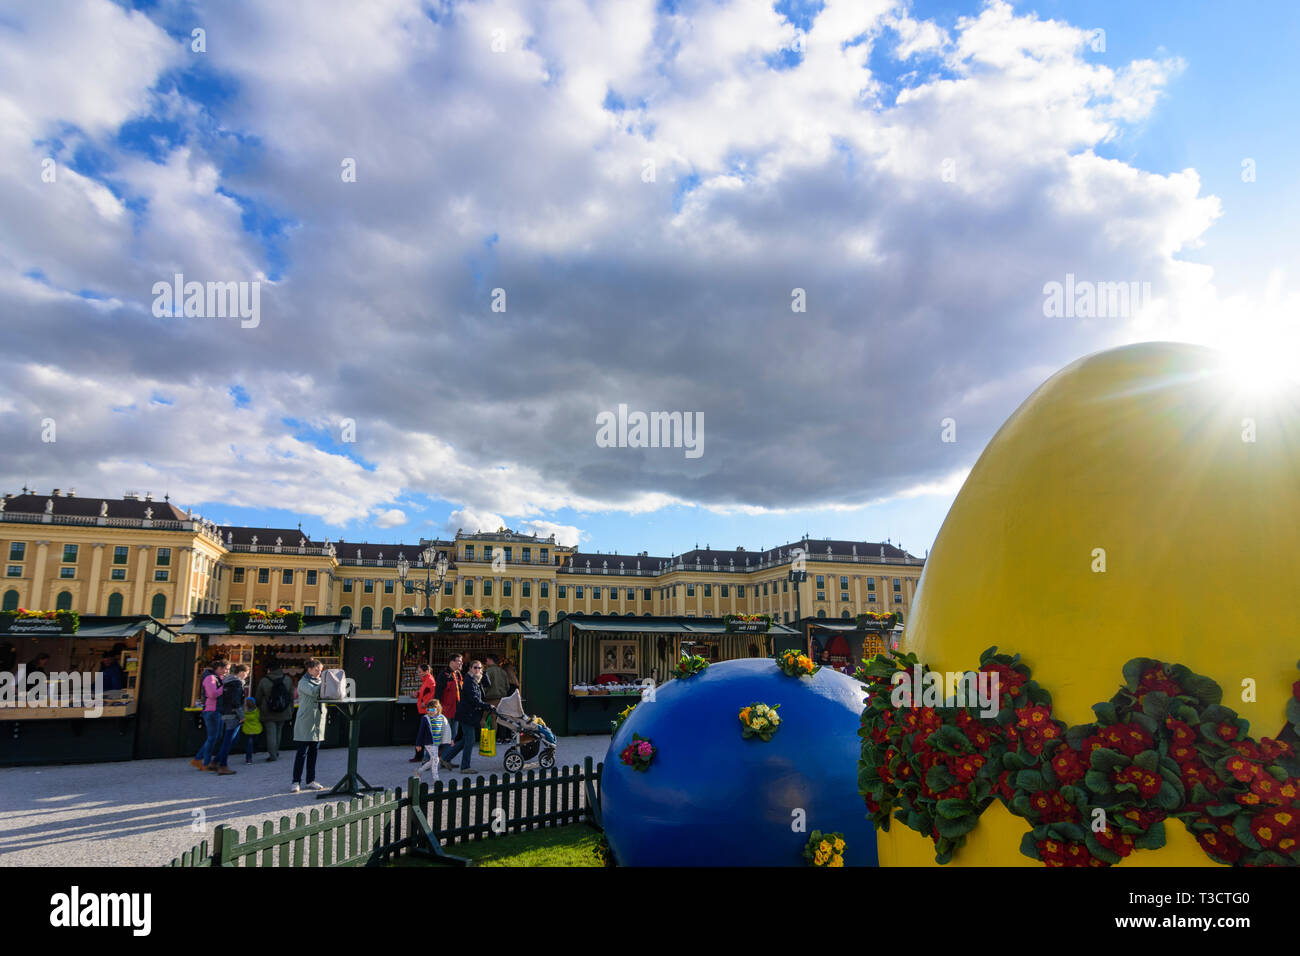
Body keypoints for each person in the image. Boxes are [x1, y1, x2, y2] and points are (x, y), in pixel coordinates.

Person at [290, 659, 327, 793]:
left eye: (321, 670)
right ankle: (295, 781)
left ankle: (310, 780)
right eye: (317, 670)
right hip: (306, 721)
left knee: (314, 753)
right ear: (309, 669)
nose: (319, 673)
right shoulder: (303, 682)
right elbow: (315, 692)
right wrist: (328, 682)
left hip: (318, 722)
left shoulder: (321, 682)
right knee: (302, 753)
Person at [443, 659, 485, 774]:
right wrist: (487, 706)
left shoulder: (476, 680)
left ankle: (445, 758)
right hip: (466, 715)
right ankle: (465, 767)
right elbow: (474, 700)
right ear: (470, 669)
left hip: (470, 715)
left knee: (465, 740)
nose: (477, 670)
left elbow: (488, 684)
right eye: (475, 667)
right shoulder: (468, 681)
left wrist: (482, 675)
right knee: (470, 740)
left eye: (480, 668)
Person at [212, 664, 249, 775]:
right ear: (241, 672)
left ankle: (215, 762)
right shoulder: (237, 683)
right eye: (247, 673)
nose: (247, 676)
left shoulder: (227, 682)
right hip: (233, 715)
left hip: (226, 712)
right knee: (228, 741)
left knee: (230, 739)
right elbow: (236, 701)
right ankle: (222, 766)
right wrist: (242, 716)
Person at [191, 659, 229, 770]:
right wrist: (224, 687)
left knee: (215, 737)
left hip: (217, 710)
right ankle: (204, 763)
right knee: (212, 737)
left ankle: (199, 760)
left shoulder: (216, 678)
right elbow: (212, 694)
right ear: (220, 668)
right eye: (226, 668)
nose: (227, 671)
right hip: (212, 710)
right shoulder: (210, 678)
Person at [256, 657, 294, 763]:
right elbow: (291, 696)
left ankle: (273, 755)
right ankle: (276, 751)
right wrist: (290, 709)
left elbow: (258, 697)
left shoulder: (264, 680)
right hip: (283, 710)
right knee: (279, 731)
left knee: (270, 733)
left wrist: (259, 706)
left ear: (269, 669)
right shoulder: (287, 679)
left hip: (268, 710)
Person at [434, 653, 463, 770]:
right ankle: (429, 759)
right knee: (443, 737)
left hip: (456, 711)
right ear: (452, 662)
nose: (461, 663)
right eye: (458, 661)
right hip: (446, 711)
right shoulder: (444, 674)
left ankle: (446, 759)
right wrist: (438, 710)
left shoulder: (457, 674)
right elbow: (438, 693)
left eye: (461, 661)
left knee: (452, 737)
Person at [418, 699, 453, 780]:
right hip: (428, 743)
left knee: (433, 760)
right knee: (435, 759)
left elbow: (446, 729)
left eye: (432, 709)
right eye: (428, 710)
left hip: (437, 743)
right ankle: (436, 778)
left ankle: (420, 771)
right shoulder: (425, 718)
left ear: (438, 709)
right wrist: (418, 744)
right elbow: (420, 732)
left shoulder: (442, 718)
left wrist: (450, 739)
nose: (430, 711)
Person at [412, 662, 437, 763]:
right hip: (422, 710)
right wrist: (418, 694)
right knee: (422, 733)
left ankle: (420, 756)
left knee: (421, 734)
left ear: (426, 671)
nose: (418, 673)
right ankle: (420, 755)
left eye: (420, 672)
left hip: (425, 711)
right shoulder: (426, 680)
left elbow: (433, 693)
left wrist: (425, 703)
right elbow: (426, 693)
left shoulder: (430, 681)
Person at [235, 696, 262, 763]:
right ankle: (255, 749)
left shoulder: (243, 713)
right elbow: (260, 718)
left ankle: (249, 758)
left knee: (248, 744)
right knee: (255, 741)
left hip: (247, 730)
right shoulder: (257, 711)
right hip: (256, 730)